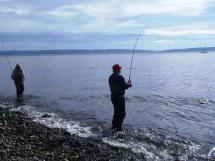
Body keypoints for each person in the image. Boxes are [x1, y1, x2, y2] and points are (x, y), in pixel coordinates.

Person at [109, 64, 132, 132]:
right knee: (122, 113)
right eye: (120, 69)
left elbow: (118, 85)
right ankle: (119, 128)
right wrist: (129, 84)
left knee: (116, 112)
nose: (120, 70)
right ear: (118, 69)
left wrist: (126, 84)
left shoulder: (110, 77)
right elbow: (125, 86)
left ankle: (113, 126)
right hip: (119, 97)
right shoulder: (120, 77)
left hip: (113, 97)